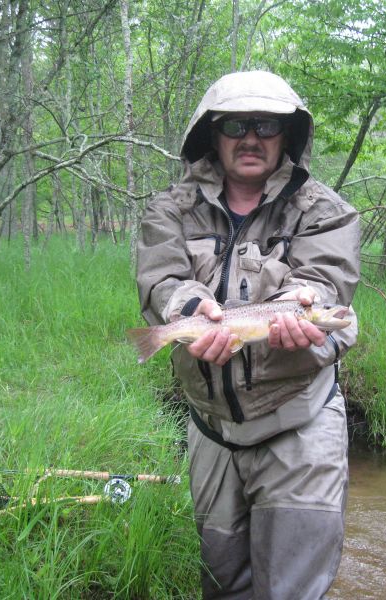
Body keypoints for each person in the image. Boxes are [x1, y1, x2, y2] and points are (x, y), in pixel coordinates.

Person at [136, 70, 360, 599]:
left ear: (288, 135)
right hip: (212, 430)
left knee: (291, 589)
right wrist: (192, 310)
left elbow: (324, 282)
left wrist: (301, 303)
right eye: (236, 126)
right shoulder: (169, 209)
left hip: (299, 425)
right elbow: (161, 280)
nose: (251, 138)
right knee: (220, 583)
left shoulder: (326, 211)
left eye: (266, 125)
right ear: (212, 135)